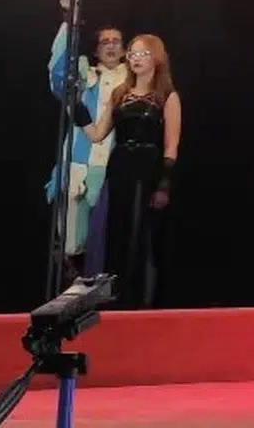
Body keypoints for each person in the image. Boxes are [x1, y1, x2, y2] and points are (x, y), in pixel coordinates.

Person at [76, 34, 181, 310]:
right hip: (120, 166)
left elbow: (171, 146)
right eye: (132, 53)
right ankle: (117, 299)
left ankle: (142, 301)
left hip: (149, 169)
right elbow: (97, 134)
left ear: (156, 58)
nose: (135, 58)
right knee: (117, 232)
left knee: (143, 233)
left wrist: (164, 184)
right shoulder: (119, 93)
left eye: (143, 53)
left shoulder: (167, 97)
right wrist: (78, 110)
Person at [45, 0, 128, 281]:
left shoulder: (133, 82)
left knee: (110, 242)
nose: (111, 46)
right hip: (80, 167)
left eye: (116, 41)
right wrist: (69, 22)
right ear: (96, 50)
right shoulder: (84, 77)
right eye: (105, 42)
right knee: (72, 243)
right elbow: (58, 75)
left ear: (124, 48)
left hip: (116, 171)